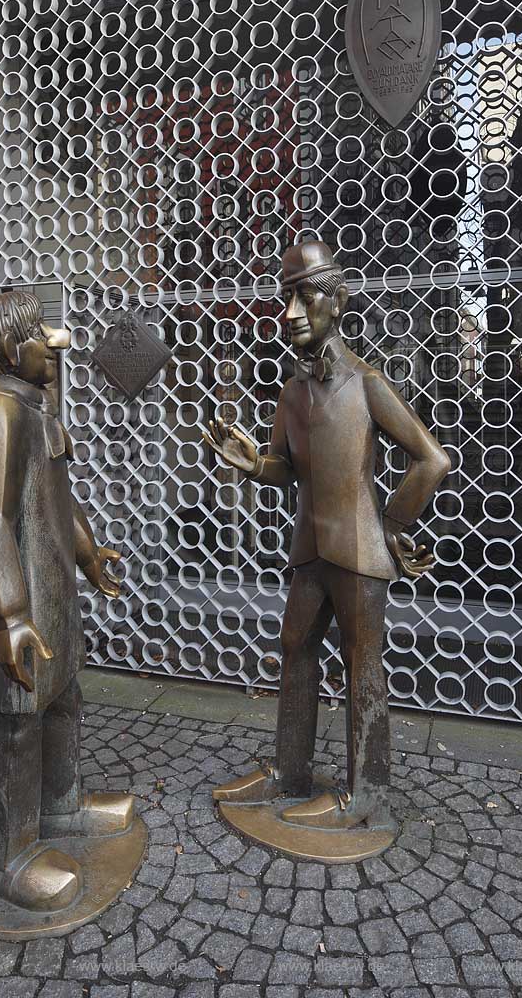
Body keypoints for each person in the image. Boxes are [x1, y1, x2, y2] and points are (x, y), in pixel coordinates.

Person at [203, 242, 450, 830]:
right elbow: (289, 467)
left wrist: (391, 527)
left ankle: (366, 794)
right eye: (285, 297)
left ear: (336, 301)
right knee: (295, 648)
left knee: (364, 664)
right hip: (311, 549)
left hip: (360, 552)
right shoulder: (292, 392)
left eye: (303, 295)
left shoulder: (367, 385)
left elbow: (430, 460)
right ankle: (290, 772)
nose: (289, 311)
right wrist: (255, 465)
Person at [0, 291, 128, 910]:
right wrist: (8, 617)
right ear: (8, 349)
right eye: (39, 335)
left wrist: (89, 553)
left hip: (48, 598)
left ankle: (62, 806)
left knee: (61, 701)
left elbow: (58, 499)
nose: (56, 345)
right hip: (16, 605)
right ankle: (5, 857)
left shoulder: (38, 409)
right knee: (13, 731)